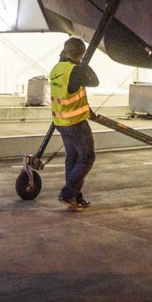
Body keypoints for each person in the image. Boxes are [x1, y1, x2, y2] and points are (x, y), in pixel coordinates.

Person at [50, 37, 99, 211]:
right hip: (75, 122)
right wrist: (84, 64)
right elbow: (95, 81)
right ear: (81, 53)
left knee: (73, 158)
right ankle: (68, 193)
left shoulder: (57, 68)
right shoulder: (74, 70)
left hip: (60, 121)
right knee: (87, 157)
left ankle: (75, 197)